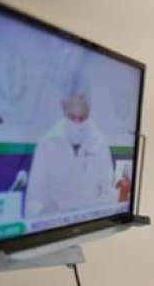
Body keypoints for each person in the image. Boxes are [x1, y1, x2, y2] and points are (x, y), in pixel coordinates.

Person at [25, 76, 118, 216]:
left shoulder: (99, 141)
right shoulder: (47, 142)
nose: (78, 123)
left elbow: (111, 195)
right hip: (56, 228)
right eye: (72, 117)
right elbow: (34, 200)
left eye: (83, 117)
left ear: (90, 109)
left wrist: (71, 207)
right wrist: (43, 212)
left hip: (91, 223)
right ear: (63, 108)